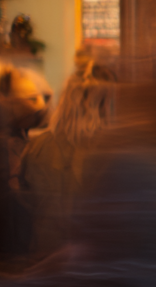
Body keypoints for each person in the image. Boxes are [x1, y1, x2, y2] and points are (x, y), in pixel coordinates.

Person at [18, 59, 117, 256]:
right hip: (95, 264)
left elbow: (26, 207)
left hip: (46, 260)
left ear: (65, 100)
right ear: (108, 104)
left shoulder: (37, 148)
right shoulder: (116, 152)